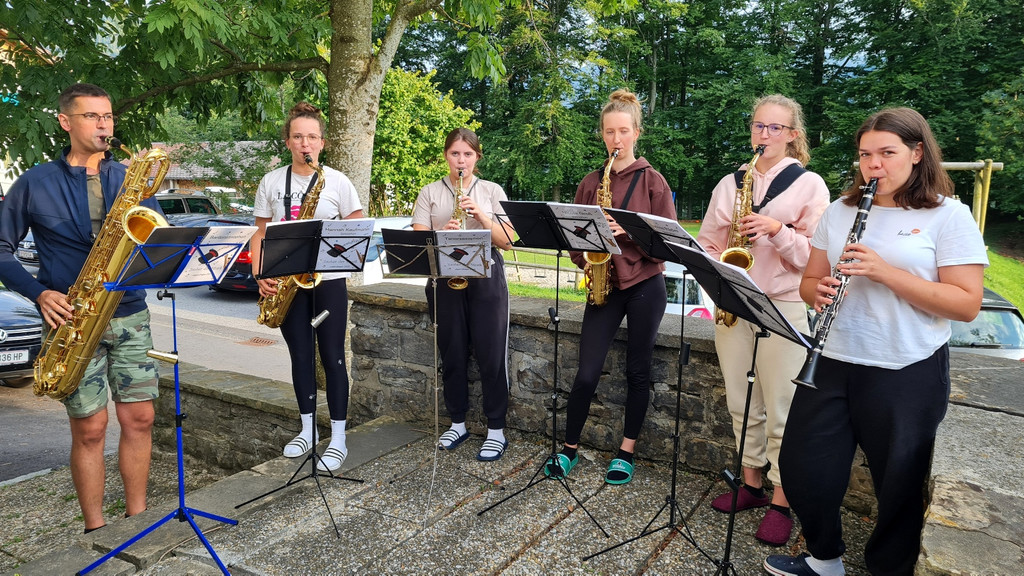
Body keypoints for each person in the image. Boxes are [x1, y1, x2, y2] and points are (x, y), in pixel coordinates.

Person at [764, 108, 988, 576]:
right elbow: (809, 282)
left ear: (917, 152)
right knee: (803, 466)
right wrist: (817, 292)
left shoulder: (948, 215)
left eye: (887, 153)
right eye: (866, 155)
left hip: (906, 367)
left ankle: (889, 568)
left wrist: (886, 272)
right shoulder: (840, 211)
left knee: (898, 482)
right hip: (833, 358)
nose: (874, 165)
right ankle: (825, 558)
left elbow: (966, 304)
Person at [0, 83, 162, 532]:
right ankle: (95, 530)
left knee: (141, 418)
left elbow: (154, 240)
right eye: (92, 116)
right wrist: (38, 293)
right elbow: (1, 249)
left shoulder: (129, 178)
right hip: (72, 319)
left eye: (107, 116)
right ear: (65, 122)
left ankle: (137, 519)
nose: (103, 125)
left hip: (129, 313)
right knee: (90, 428)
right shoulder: (34, 182)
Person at [696, 94, 830, 546]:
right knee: (741, 402)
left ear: (793, 135)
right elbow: (707, 244)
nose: (764, 134)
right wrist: (721, 273)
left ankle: (781, 501)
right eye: (758, 126)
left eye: (775, 128)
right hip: (735, 304)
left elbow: (816, 259)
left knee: (782, 409)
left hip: (784, 304)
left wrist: (777, 231)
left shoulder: (810, 186)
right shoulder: (730, 183)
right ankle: (750, 484)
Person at [545, 89, 675, 485]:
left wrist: (629, 231)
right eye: (608, 132)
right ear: (602, 134)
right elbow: (573, 240)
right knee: (586, 374)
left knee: (637, 371)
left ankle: (625, 453)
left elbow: (668, 245)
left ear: (637, 132)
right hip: (604, 284)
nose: (616, 140)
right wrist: (586, 258)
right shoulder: (590, 182)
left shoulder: (653, 181)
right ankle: (569, 449)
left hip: (645, 285)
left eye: (623, 131)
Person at [251, 102, 365, 472]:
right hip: (289, 283)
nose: (305, 144)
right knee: (300, 356)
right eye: (298, 137)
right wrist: (259, 271)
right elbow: (260, 233)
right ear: (287, 142)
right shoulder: (271, 182)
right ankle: (307, 430)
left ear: (322, 143)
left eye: (312, 137)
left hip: (328, 281)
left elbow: (355, 227)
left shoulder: (338, 181)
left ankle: (339, 437)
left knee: (332, 357)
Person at [411, 127, 515, 462]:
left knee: (491, 354)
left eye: (467, 154)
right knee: (452, 353)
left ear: (476, 157)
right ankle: (457, 423)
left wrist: (481, 215)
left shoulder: (492, 190)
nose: (461, 160)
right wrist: (442, 232)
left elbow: (508, 240)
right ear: (446, 156)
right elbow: (418, 242)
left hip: (486, 278)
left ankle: (496, 429)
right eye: (455, 153)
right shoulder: (430, 191)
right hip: (445, 279)